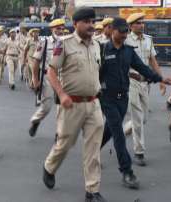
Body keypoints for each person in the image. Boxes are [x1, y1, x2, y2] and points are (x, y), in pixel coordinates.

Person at [43, 8, 106, 202]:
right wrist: (61, 94)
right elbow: (51, 72)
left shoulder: (97, 45)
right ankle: (49, 167)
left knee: (93, 149)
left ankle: (92, 190)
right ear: (76, 23)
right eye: (86, 22)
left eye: (92, 22)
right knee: (65, 143)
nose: (91, 25)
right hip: (72, 104)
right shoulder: (65, 44)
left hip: (93, 103)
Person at [99, 17, 171, 189]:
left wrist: (160, 78)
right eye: (121, 31)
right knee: (118, 134)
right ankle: (127, 171)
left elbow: (143, 68)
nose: (124, 35)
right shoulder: (101, 50)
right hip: (107, 98)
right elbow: (94, 73)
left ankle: (92, 148)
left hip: (122, 98)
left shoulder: (129, 51)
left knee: (109, 129)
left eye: (126, 31)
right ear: (112, 31)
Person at [122, 13, 166, 166]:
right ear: (131, 26)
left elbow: (153, 61)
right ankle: (139, 152)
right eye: (138, 23)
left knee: (144, 118)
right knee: (137, 117)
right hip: (131, 81)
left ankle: (121, 133)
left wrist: (160, 79)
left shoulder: (149, 39)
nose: (142, 25)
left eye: (142, 22)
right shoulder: (125, 39)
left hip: (145, 83)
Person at [28, 18, 65, 137]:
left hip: (62, 77)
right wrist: (35, 80)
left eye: (62, 28)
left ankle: (59, 133)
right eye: (57, 28)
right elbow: (35, 62)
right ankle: (35, 121)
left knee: (62, 107)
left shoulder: (66, 42)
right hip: (47, 77)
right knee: (47, 106)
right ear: (52, 29)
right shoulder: (44, 42)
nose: (60, 30)